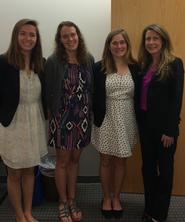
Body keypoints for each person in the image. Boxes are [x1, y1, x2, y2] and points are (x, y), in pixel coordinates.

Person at [44, 21, 94, 222]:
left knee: (75, 160)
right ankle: (63, 202)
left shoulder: (88, 59)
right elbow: (48, 91)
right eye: (65, 36)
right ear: (60, 39)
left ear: (78, 36)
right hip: (61, 118)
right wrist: (52, 116)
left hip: (82, 118)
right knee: (63, 162)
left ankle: (72, 199)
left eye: (73, 35)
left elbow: (92, 89)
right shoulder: (53, 61)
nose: (70, 39)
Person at [0, 19, 48, 222]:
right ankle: (19, 216)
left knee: (30, 170)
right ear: (15, 36)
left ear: (37, 39)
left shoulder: (41, 63)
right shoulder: (3, 62)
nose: (28, 38)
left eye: (32, 35)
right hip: (12, 124)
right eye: (23, 33)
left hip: (34, 122)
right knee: (14, 173)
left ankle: (28, 212)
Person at [137, 24, 184, 222]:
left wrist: (170, 130)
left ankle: (159, 215)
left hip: (165, 130)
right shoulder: (143, 64)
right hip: (145, 127)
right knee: (147, 169)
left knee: (165, 172)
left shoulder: (175, 64)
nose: (151, 42)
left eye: (155, 38)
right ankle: (149, 209)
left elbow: (176, 99)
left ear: (163, 41)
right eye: (148, 39)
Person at [92, 29, 139, 219]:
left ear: (127, 45)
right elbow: (94, 94)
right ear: (109, 45)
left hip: (127, 117)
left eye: (122, 43)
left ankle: (117, 197)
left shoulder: (136, 67)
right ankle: (105, 197)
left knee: (121, 161)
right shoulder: (98, 67)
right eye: (115, 43)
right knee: (105, 161)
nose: (119, 46)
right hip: (106, 116)